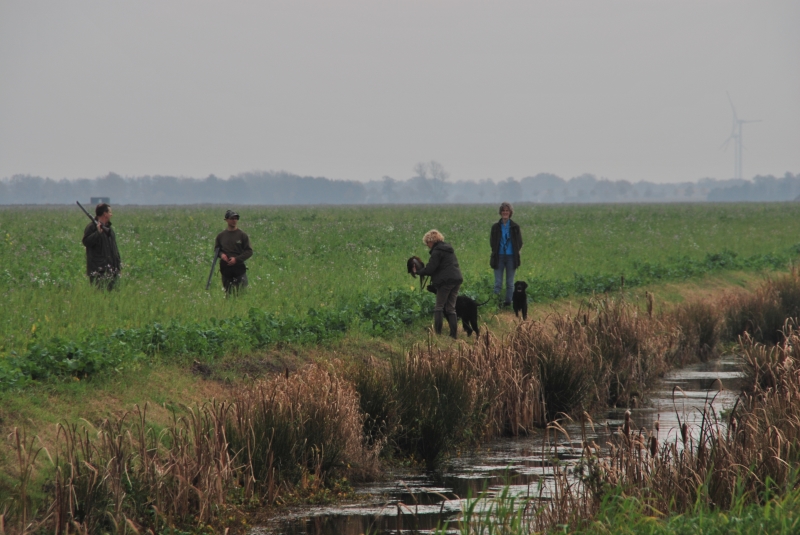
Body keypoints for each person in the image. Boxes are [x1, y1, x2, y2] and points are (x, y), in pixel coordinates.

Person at [413, 229, 463, 339]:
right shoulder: (448, 249)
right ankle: (454, 335)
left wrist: (418, 272)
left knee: (439, 307)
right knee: (451, 308)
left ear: (431, 241)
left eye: (427, 243)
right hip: (457, 279)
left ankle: (438, 334)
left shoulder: (437, 251)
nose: (427, 246)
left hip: (445, 282)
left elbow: (430, 269)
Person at [490, 201, 523, 307]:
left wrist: (516, 251)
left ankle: (508, 303)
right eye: (503, 211)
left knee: (510, 283)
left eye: (507, 211)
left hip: (511, 257)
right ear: (500, 212)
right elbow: (492, 242)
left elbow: (519, 242)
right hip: (499, 257)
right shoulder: (495, 227)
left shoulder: (515, 227)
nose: (505, 213)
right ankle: (496, 303)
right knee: (498, 283)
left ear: (510, 212)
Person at [82, 202, 122, 290]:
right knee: (99, 296)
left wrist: (118, 266)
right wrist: (98, 233)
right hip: (98, 271)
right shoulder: (92, 227)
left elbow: (114, 249)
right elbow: (86, 242)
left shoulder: (109, 229)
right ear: (105, 214)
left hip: (112, 270)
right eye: (110, 212)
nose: (111, 214)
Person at [214, 209, 253, 294]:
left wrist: (236, 259)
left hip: (239, 268)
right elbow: (217, 250)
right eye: (232, 218)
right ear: (226, 220)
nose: (234, 220)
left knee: (242, 293)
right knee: (228, 293)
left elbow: (249, 251)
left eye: (236, 218)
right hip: (225, 269)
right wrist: (222, 255)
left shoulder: (242, 235)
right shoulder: (221, 236)